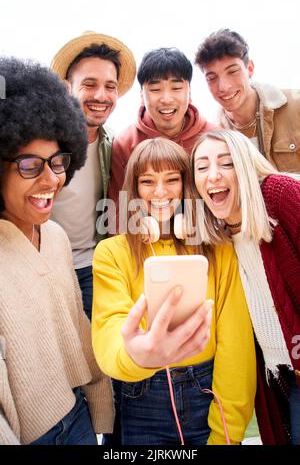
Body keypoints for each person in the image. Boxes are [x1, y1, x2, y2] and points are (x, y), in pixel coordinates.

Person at [92, 137, 256, 445]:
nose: (161, 192)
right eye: (147, 181)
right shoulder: (111, 253)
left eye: (172, 180)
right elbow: (109, 334)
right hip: (140, 398)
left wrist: (227, 432)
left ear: (187, 185)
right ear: (134, 189)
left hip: (206, 395)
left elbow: (236, 348)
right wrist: (139, 357)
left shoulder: (220, 251)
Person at [0, 57, 114, 445]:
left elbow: (77, 332)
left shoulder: (56, 237)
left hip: (78, 417)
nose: (52, 179)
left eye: (58, 162)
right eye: (30, 165)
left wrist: (101, 413)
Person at [192, 129, 300, 445]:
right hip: (282, 379)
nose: (213, 175)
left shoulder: (280, 196)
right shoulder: (219, 239)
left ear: (246, 165)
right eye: (201, 167)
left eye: (226, 163)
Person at [50, 31, 136, 319]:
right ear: (66, 87)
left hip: (92, 267)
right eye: (89, 84)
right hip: (44, 266)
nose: (101, 95)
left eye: (109, 86)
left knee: (97, 354)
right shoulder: (40, 143)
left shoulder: (116, 146)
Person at [108, 47, 215, 209]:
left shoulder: (214, 138)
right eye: (155, 90)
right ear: (142, 95)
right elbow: (117, 209)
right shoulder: (125, 143)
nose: (166, 99)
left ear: (189, 91)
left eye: (176, 88)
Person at [195, 28, 300, 174]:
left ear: (249, 68)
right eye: (212, 78)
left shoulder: (295, 106)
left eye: (232, 71)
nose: (224, 87)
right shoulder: (215, 134)